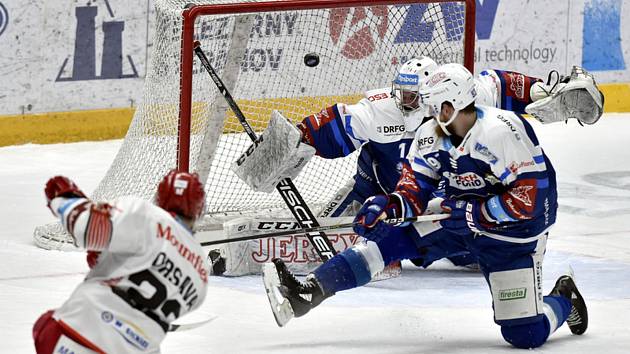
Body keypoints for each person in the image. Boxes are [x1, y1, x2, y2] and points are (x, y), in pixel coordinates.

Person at [262, 63, 588, 349]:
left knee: (525, 335)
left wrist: (479, 215)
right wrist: (390, 205)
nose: (428, 115)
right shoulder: (431, 135)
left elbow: (535, 197)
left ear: (452, 105)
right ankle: (310, 291)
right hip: (453, 220)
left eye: (435, 107)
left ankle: (563, 297)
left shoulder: (502, 132)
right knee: (386, 239)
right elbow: (416, 184)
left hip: (510, 236)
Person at [218, 56, 603, 275]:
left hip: (428, 199)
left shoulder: (452, 102)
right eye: (400, 90)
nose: (403, 99)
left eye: (411, 94)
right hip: (379, 191)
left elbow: (500, 85)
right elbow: (337, 124)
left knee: (468, 257)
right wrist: (298, 138)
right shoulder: (379, 109)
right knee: (344, 235)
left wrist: (541, 92)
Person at [32, 170, 209, 353]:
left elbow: (86, 227)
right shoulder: (202, 269)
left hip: (82, 329)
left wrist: (64, 198)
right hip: (138, 347)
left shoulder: (146, 215)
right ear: (198, 210)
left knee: (45, 326)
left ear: (160, 198)